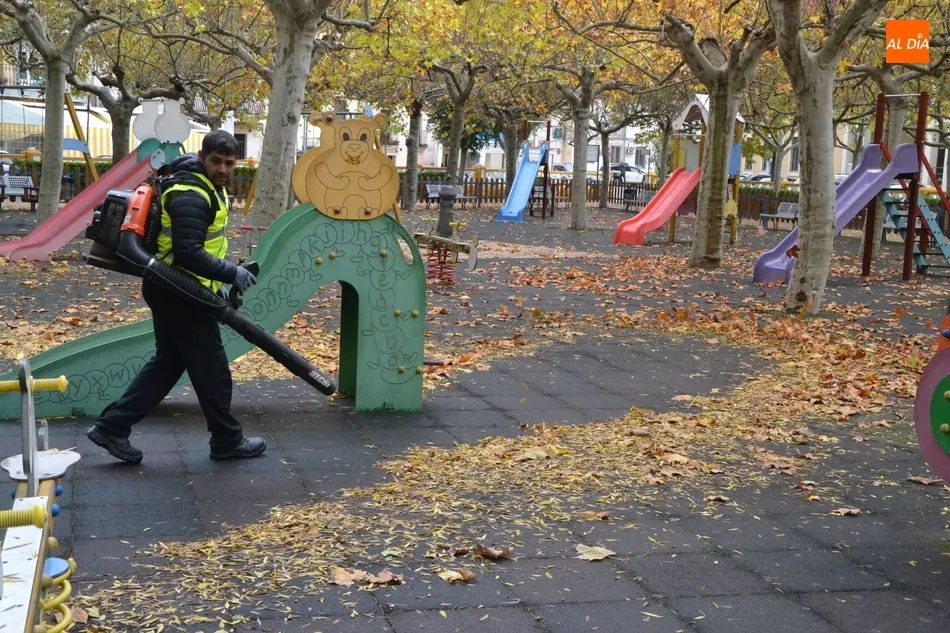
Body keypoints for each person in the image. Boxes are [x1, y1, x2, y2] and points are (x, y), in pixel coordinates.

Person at [86, 130, 266, 463]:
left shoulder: (206, 186)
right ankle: (226, 441)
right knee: (212, 370)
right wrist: (231, 273)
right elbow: (187, 253)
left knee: (168, 364)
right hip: (181, 292)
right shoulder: (191, 193)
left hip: (176, 288)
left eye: (229, 163)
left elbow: (201, 247)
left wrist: (220, 280)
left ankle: (112, 428)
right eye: (216, 162)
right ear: (202, 158)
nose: (224, 169)